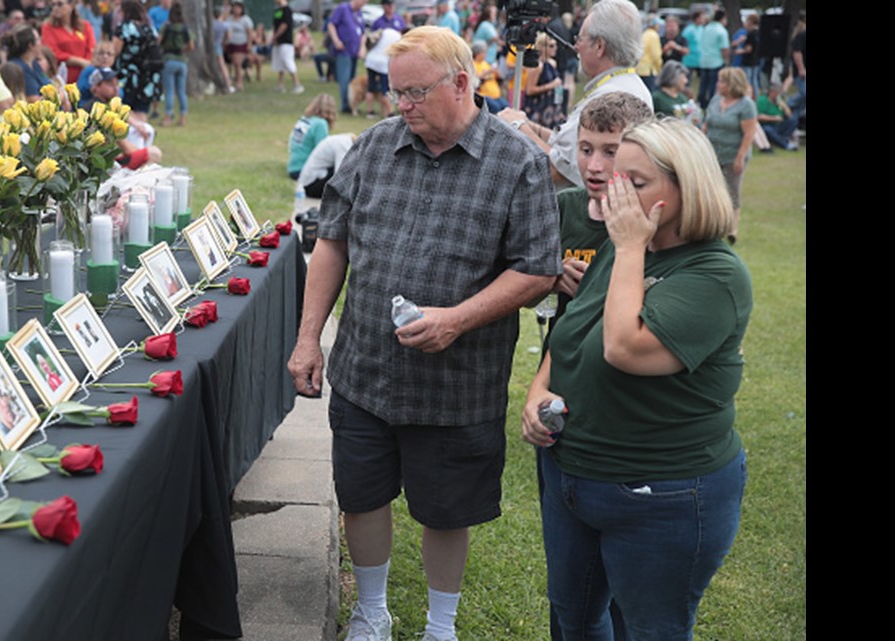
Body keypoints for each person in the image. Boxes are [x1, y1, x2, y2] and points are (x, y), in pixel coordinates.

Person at [287, 26, 560, 641]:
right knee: (361, 495)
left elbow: (539, 268)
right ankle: (372, 612)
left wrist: (457, 319)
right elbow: (332, 238)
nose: (401, 106)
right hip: (366, 370)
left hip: (458, 382)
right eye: (395, 93)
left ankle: (442, 626)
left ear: (461, 84)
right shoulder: (374, 146)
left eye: (414, 93)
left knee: (446, 509)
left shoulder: (516, 162)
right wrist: (310, 338)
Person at [522, 117, 750, 641]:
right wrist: (538, 393)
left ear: (685, 189)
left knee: (650, 629)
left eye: (637, 182)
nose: (613, 187)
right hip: (573, 476)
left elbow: (624, 347)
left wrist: (626, 247)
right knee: (572, 616)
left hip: (664, 494)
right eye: (614, 175)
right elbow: (571, 333)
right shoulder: (625, 251)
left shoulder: (714, 274)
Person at [500, 0, 652, 190]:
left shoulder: (608, 97)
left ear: (599, 46)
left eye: (579, 39)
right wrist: (528, 126)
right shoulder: (631, 85)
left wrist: (518, 127)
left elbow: (560, 170)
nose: (576, 47)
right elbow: (568, 147)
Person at [549, 92, 653, 330]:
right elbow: (526, 289)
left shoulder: (652, 220)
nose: (594, 166)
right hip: (563, 355)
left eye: (611, 152)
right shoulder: (565, 206)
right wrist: (553, 276)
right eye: (586, 150)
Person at [702, 67, 756, 244]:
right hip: (712, 153)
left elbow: (749, 133)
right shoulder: (716, 100)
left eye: (722, 81)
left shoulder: (746, 105)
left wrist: (740, 158)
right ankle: (714, 224)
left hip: (733, 154)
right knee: (712, 189)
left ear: (731, 84)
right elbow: (707, 124)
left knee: (732, 190)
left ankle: (732, 228)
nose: (718, 84)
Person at [113, 0, 163, 120]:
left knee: (125, 111)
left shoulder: (123, 28)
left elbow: (115, 51)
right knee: (141, 112)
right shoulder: (148, 29)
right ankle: (141, 135)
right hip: (147, 76)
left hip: (127, 77)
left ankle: (128, 137)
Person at [41, 0, 97, 85]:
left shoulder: (85, 26)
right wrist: (80, 62)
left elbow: (92, 48)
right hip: (61, 76)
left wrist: (87, 64)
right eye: (53, 5)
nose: (55, 8)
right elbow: (52, 52)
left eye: (60, 4)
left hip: (85, 74)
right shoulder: (48, 28)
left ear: (72, 5)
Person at [327, 0, 366, 115]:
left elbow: (363, 32)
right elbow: (331, 24)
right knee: (344, 79)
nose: (364, 5)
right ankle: (346, 106)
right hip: (344, 50)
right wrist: (336, 40)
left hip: (355, 51)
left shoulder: (358, 13)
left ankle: (352, 104)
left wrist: (362, 48)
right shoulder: (343, 9)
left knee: (352, 80)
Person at [158, 3, 193, 126]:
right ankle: (183, 117)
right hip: (182, 61)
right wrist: (183, 49)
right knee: (181, 91)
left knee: (170, 91)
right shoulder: (185, 28)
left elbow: (159, 41)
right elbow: (191, 45)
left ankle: (168, 116)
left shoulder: (166, 26)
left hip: (169, 59)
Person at [287, 93, 336, 180]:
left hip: (293, 167)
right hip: (305, 170)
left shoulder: (304, 119)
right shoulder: (320, 124)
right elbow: (323, 152)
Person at [3, 23, 55, 103]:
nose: (41, 41)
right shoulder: (20, 68)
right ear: (30, 45)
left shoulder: (34, 64)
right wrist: (59, 97)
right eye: (38, 39)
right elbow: (33, 100)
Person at [521, 32, 564, 129]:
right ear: (542, 47)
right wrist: (551, 85)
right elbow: (530, 90)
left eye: (555, 45)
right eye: (551, 46)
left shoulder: (552, 63)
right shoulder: (538, 66)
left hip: (551, 108)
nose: (555, 48)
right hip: (538, 108)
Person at [297, 132, 356, 198]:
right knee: (346, 174)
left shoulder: (340, 139)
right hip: (312, 186)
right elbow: (341, 174)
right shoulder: (344, 145)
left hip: (307, 183)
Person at [363, 26, 402, 119]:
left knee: (370, 88)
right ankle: (390, 112)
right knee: (386, 89)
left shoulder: (385, 31)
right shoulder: (398, 38)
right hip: (382, 63)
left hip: (370, 60)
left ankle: (370, 112)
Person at [696, 8, 729, 109]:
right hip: (716, 62)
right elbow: (724, 48)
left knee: (703, 86)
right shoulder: (721, 31)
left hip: (704, 61)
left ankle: (701, 105)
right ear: (722, 19)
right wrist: (726, 60)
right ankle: (711, 106)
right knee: (713, 87)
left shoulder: (706, 28)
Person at [270, 0, 304, 94]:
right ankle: (280, 85)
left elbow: (284, 25)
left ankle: (297, 84)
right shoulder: (277, 11)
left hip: (286, 41)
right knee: (280, 63)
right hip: (278, 42)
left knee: (287, 61)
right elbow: (275, 24)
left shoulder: (287, 10)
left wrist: (275, 36)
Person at [76, 39, 120, 107]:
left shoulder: (112, 72)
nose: (105, 57)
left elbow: (121, 93)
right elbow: (81, 89)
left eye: (109, 54)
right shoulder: (89, 70)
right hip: (87, 106)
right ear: (93, 55)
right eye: (101, 53)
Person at [757, 81, 800, 151]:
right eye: (777, 92)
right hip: (767, 125)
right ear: (772, 92)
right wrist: (773, 118)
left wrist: (784, 106)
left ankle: (780, 140)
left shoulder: (779, 100)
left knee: (793, 120)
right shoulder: (762, 100)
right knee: (768, 130)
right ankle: (785, 144)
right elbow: (759, 116)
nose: (778, 94)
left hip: (779, 125)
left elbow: (789, 115)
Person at [223, 1, 254, 92]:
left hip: (241, 44)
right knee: (231, 63)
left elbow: (249, 33)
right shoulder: (229, 19)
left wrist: (249, 45)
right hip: (230, 44)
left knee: (238, 63)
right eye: (235, 8)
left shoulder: (245, 20)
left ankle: (239, 82)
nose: (236, 10)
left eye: (238, 8)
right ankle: (231, 81)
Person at [735, 13, 761, 99]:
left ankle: (748, 97)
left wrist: (740, 51)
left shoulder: (750, 34)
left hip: (748, 61)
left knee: (748, 81)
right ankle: (756, 96)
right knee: (754, 80)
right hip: (756, 60)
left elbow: (748, 49)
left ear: (751, 22)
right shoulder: (760, 32)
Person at [637, 15, 662, 91]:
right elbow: (656, 55)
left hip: (639, 69)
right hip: (649, 70)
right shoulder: (654, 36)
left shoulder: (644, 34)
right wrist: (659, 68)